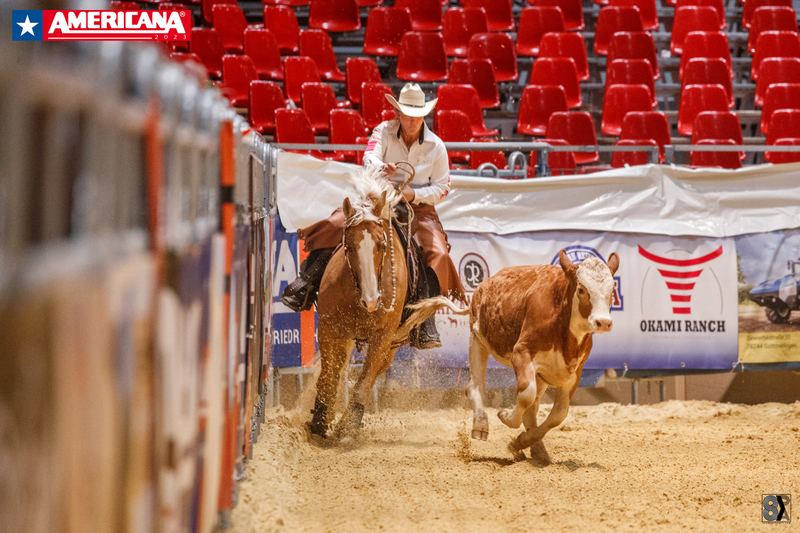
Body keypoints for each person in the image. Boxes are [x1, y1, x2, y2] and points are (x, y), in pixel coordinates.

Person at [281, 83, 466, 349]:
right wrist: (382, 168)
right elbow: (369, 158)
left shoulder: (436, 146)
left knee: (438, 253)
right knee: (337, 223)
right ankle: (307, 282)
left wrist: (413, 194)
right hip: (377, 196)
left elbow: (442, 187)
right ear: (398, 112)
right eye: (407, 114)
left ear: (424, 116)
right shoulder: (383, 131)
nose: (412, 121)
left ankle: (425, 319)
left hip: (417, 207)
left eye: (417, 116)